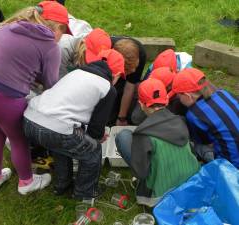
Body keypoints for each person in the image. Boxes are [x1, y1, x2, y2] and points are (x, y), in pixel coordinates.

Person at [0, 1, 71, 195]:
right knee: (18, 140)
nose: (62, 37)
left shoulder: (9, 26)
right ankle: (26, 182)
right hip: (2, 97)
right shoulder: (49, 45)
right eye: (63, 32)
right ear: (57, 27)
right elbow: (51, 85)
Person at [23, 49, 125, 200]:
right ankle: (85, 191)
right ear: (116, 74)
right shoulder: (107, 88)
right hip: (55, 127)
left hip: (30, 119)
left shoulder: (75, 73)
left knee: (60, 146)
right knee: (92, 151)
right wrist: (96, 137)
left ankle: (62, 184)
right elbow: (96, 127)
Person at [115, 78, 200, 207]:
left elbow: (141, 172)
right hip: (191, 182)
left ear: (141, 104)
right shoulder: (180, 120)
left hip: (161, 195)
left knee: (123, 136)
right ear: (166, 100)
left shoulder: (143, 134)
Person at [59, 33, 146, 126]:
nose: (133, 71)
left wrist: (121, 117)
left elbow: (130, 86)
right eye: (125, 70)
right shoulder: (100, 54)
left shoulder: (139, 56)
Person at [172, 68, 239, 168]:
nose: (179, 99)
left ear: (187, 96)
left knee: (194, 146)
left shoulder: (194, 115)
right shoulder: (224, 93)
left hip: (231, 166)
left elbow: (205, 142)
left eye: (179, 96)